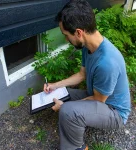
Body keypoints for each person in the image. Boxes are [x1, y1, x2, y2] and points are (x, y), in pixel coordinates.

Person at [43, 0, 131, 150]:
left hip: (114, 112)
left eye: (65, 35)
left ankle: (77, 147)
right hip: (98, 97)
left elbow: (99, 100)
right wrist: (54, 85)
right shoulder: (88, 46)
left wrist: (65, 107)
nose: (66, 39)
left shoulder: (107, 63)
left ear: (78, 32)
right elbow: (81, 75)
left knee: (68, 111)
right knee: (61, 93)